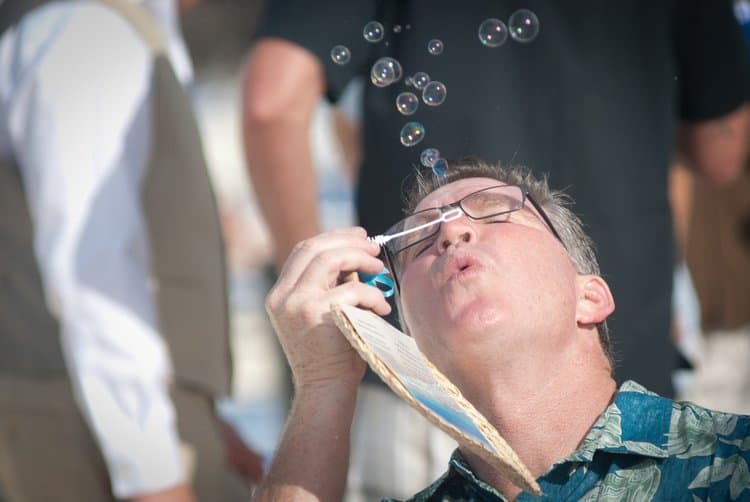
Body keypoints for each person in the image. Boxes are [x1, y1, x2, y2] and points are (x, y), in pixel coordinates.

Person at [243, 0, 750, 402]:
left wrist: (333, 309)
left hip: (420, 379)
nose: (458, 229)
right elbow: (721, 148)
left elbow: (271, 103)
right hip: (617, 364)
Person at [253, 158, 750, 501]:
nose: (450, 232)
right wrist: (322, 385)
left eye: (495, 211)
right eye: (419, 243)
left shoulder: (735, 465)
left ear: (590, 297)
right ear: (412, 343)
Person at [0, 1, 261, 500]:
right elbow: (93, 274)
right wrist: (153, 473)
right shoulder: (88, 35)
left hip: (116, 425)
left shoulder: (109, 32)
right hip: (79, 439)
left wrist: (199, 421)